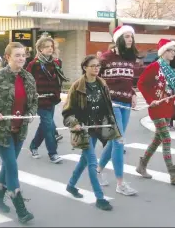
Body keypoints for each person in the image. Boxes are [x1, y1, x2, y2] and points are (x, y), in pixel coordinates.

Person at [0, 42, 37, 224]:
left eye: (23, 55)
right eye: (17, 55)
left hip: (20, 129)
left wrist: (31, 113)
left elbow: (34, 101)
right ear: (8, 57)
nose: (21, 58)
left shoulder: (28, 78)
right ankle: (20, 208)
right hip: (2, 130)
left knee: (7, 165)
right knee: (11, 166)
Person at [62, 55, 120, 211]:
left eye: (98, 66)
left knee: (84, 160)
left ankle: (71, 185)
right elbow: (67, 112)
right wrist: (74, 123)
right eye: (93, 66)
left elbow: (107, 108)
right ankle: (100, 198)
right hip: (83, 130)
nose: (96, 68)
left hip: (98, 129)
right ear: (85, 68)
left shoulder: (102, 84)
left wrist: (113, 126)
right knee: (92, 162)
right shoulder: (77, 87)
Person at [136, 39, 175, 185]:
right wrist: (150, 100)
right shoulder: (154, 66)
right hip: (156, 109)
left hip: (167, 108)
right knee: (166, 139)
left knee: (157, 140)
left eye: (174, 50)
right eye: (169, 50)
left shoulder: (170, 69)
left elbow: (172, 87)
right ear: (162, 52)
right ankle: (174, 175)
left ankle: (142, 165)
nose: (172, 53)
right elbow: (141, 83)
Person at [96, 25, 138, 196]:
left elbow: (128, 80)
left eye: (131, 36)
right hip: (111, 104)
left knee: (114, 141)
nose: (130, 39)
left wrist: (133, 93)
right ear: (119, 39)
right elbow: (94, 79)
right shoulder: (106, 58)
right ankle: (120, 183)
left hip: (126, 103)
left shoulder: (130, 58)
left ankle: (97, 171)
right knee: (120, 141)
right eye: (127, 36)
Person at [26, 36, 69, 163]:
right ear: (40, 49)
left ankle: (34, 146)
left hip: (52, 99)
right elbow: (27, 81)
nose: (50, 49)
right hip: (39, 100)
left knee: (45, 125)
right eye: (46, 47)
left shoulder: (56, 63)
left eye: (51, 46)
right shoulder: (33, 64)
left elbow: (58, 80)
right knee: (49, 125)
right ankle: (53, 153)